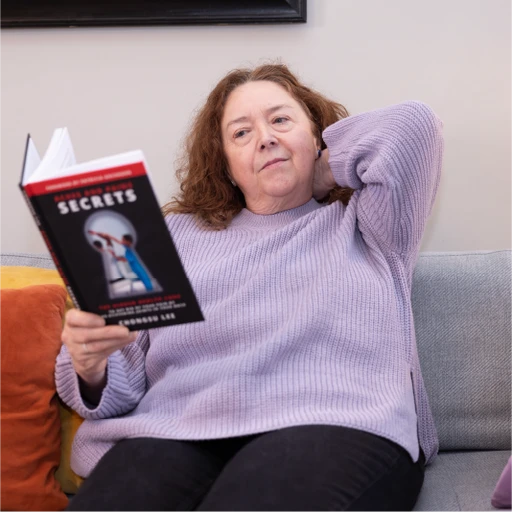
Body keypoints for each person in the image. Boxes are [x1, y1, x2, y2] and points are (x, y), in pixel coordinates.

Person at [57, 63, 444, 512]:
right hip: (174, 431)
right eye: (241, 133)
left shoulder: (369, 222)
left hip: (333, 423)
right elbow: (115, 389)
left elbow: (415, 126)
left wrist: (323, 173)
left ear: (318, 134)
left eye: (281, 120)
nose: (265, 138)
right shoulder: (173, 236)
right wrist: (91, 367)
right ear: (225, 164)